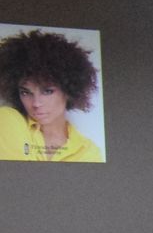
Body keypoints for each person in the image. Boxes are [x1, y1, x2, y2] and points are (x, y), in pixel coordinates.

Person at [0, 28, 103, 163]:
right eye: (25, 92)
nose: (36, 103)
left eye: (47, 91)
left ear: (69, 90)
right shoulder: (8, 120)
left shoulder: (88, 151)